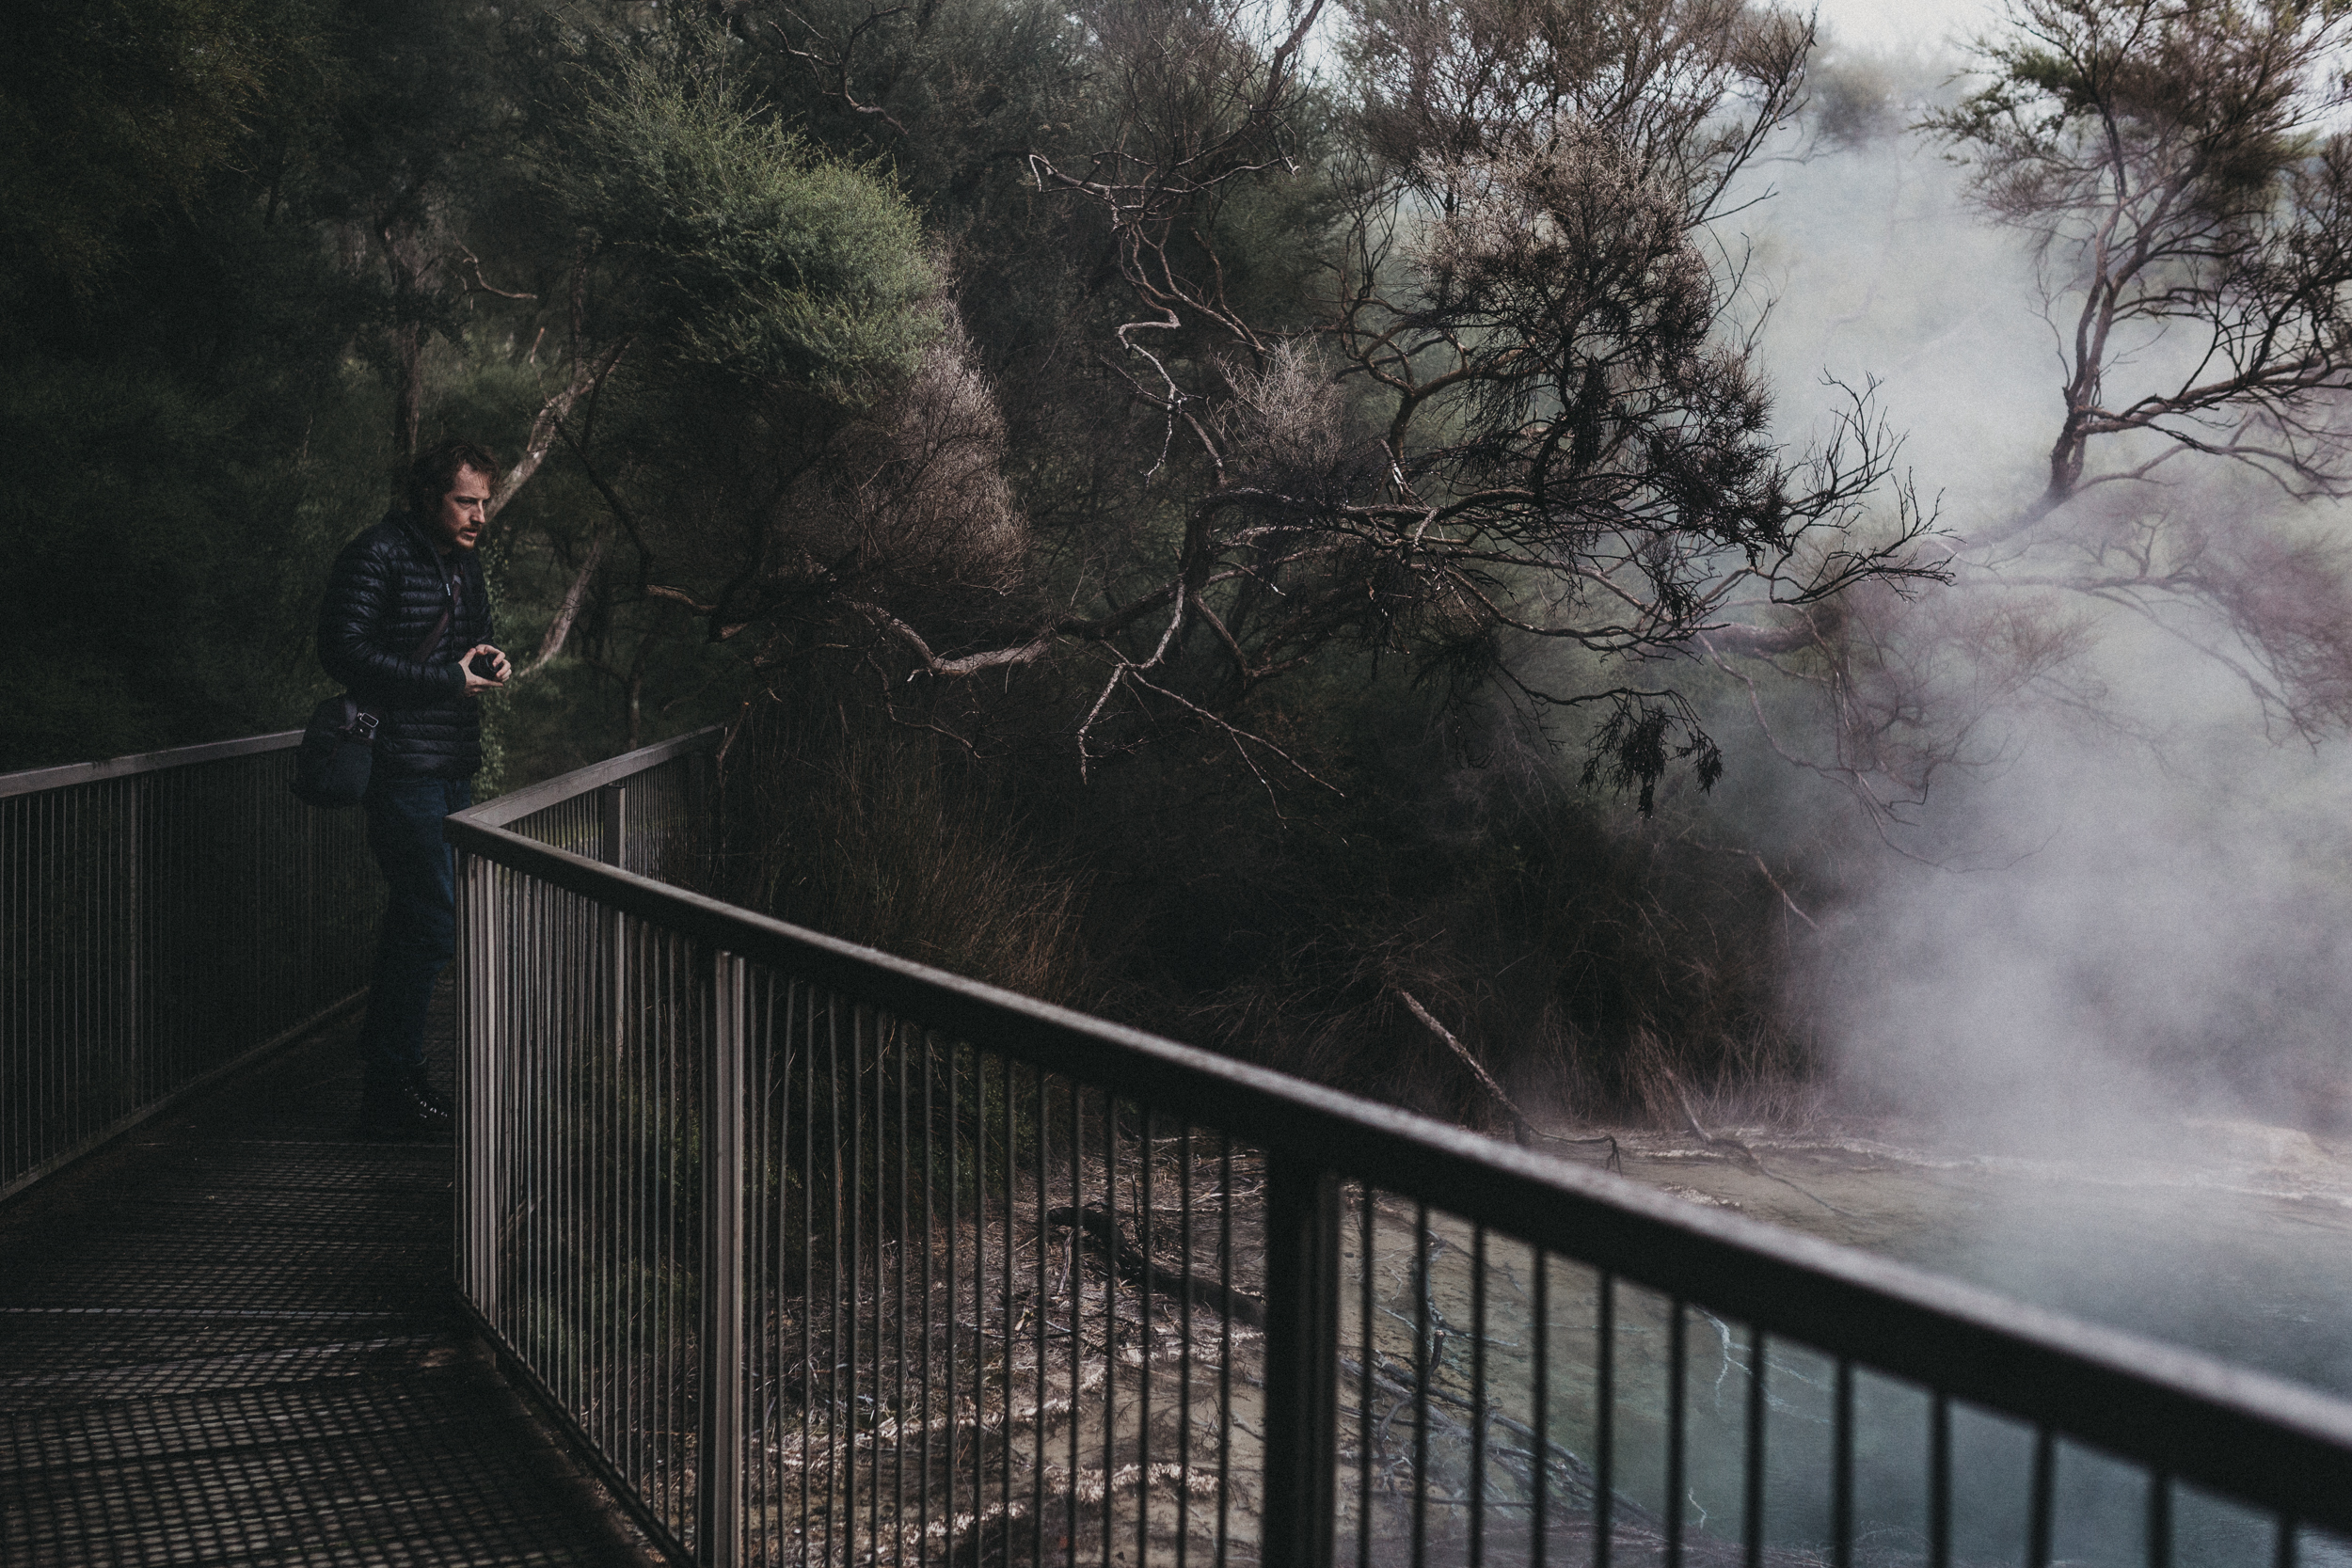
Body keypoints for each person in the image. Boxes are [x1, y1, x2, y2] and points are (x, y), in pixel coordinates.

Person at [317, 440, 512, 1136]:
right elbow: (344, 649)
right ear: (429, 495)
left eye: (485, 501)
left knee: (417, 918)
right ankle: (392, 1081)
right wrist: (448, 679)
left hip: (450, 765)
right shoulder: (377, 553)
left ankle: (392, 1077)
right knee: (433, 918)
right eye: (466, 500)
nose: (479, 514)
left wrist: (487, 657)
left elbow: (470, 640)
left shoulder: (462, 563)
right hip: (399, 766)